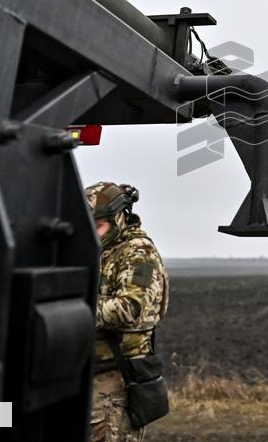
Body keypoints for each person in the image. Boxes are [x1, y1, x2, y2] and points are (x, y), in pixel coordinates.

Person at [86, 181, 169, 442]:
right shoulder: (99, 251)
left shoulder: (138, 254)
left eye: (99, 226)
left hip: (115, 381)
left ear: (120, 217)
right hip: (90, 373)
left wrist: (77, 311)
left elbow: (131, 308)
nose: (94, 234)